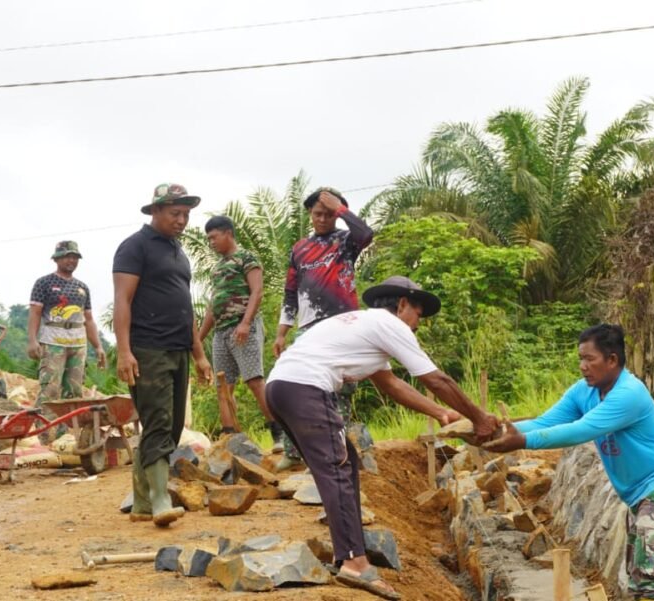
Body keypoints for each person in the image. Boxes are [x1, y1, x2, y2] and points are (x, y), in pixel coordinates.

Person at [265, 275, 498, 600]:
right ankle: (355, 565)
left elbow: (390, 384)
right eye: (418, 315)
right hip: (305, 387)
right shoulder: (391, 325)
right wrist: (479, 418)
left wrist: (441, 414)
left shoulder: (364, 324)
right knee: (338, 470)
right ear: (402, 305)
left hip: (281, 388)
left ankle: (347, 553)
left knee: (344, 464)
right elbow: (436, 379)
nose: (418, 325)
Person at [483, 324, 654, 601]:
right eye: (580, 359)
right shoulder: (584, 391)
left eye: (589, 359)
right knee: (639, 577)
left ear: (612, 360)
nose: (583, 366)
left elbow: (582, 430)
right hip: (642, 494)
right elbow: (546, 422)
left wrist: (522, 442)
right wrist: (498, 433)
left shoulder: (629, 393)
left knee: (651, 581)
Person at [113, 183, 213, 526]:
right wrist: (124, 351)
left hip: (178, 348)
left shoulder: (177, 251)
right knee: (156, 422)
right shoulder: (134, 247)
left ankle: (141, 501)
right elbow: (122, 301)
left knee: (170, 428)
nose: (182, 220)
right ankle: (159, 498)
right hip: (147, 347)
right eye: (175, 213)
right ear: (154, 211)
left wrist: (198, 354)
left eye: (186, 214)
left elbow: (186, 307)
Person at [272, 186, 373, 468]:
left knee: (340, 390)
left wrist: (340, 208)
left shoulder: (346, 241)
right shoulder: (300, 249)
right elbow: (290, 292)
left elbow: (366, 234)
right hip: (308, 327)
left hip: (342, 324)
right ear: (309, 214)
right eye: (317, 213)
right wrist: (282, 332)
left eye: (328, 214)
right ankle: (294, 454)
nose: (322, 219)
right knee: (299, 385)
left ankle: (335, 456)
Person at [196, 216, 281, 448]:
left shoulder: (247, 257)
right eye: (208, 239)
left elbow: (257, 291)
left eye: (214, 237)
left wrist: (245, 323)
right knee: (223, 386)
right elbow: (213, 307)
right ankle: (229, 437)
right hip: (221, 332)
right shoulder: (217, 268)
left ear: (228, 233)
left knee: (254, 381)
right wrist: (198, 339)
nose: (211, 243)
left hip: (244, 327)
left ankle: (279, 433)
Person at [27, 241, 106, 426]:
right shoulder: (44, 283)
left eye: (75, 257)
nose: (71, 260)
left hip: (77, 343)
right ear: (57, 259)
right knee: (50, 390)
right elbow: (35, 313)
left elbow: (89, 319)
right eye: (67, 256)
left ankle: (68, 434)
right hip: (52, 341)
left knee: (74, 391)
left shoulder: (82, 287)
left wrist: (98, 346)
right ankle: (43, 433)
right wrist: (32, 340)